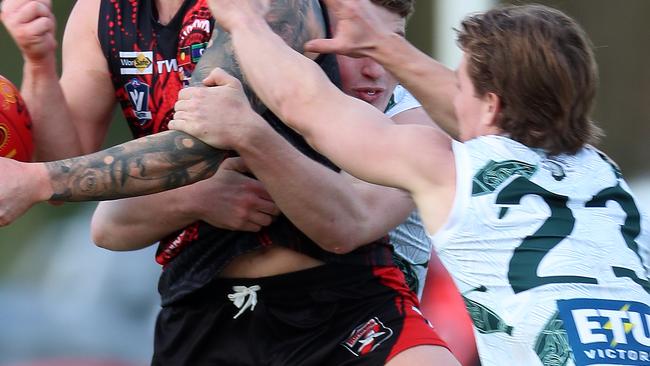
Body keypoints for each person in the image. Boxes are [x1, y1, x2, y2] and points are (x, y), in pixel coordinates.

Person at [172, 1, 650, 365]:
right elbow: (490, 103)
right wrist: (381, 42)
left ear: (490, 103)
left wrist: (243, 20)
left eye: (459, 84)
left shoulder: (447, 166)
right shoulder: (601, 170)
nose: (449, 92)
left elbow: (306, 104)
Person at [0, 0, 460, 364]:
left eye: (382, 47)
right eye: (353, 46)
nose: (371, 69)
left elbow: (201, 145)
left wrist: (34, 181)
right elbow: (84, 181)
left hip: (337, 300)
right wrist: (39, 61)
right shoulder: (102, 13)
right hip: (200, 300)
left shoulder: (264, 8)